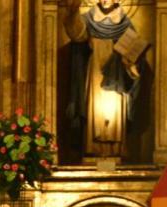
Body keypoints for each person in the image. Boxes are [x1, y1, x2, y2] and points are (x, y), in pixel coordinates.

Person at [62, 0, 149, 158]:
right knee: (95, 110)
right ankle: (94, 149)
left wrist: (131, 63)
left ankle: (115, 150)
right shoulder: (88, 19)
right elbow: (77, 35)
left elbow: (135, 52)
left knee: (115, 111)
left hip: (116, 74)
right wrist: (72, 12)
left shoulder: (125, 23)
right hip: (96, 70)